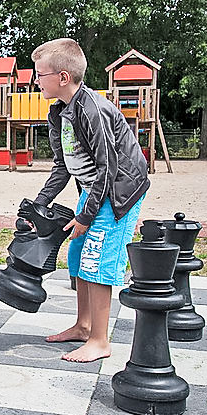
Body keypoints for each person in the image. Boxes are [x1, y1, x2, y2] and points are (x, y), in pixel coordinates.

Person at [32, 38, 150, 362]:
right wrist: (39, 204)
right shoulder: (59, 113)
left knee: (98, 258)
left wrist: (85, 216)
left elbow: (108, 166)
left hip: (119, 191)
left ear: (63, 77)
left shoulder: (91, 109)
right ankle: (84, 326)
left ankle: (100, 340)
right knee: (78, 253)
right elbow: (62, 166)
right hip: (95, 190)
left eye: (40, 74)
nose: (36, 80)